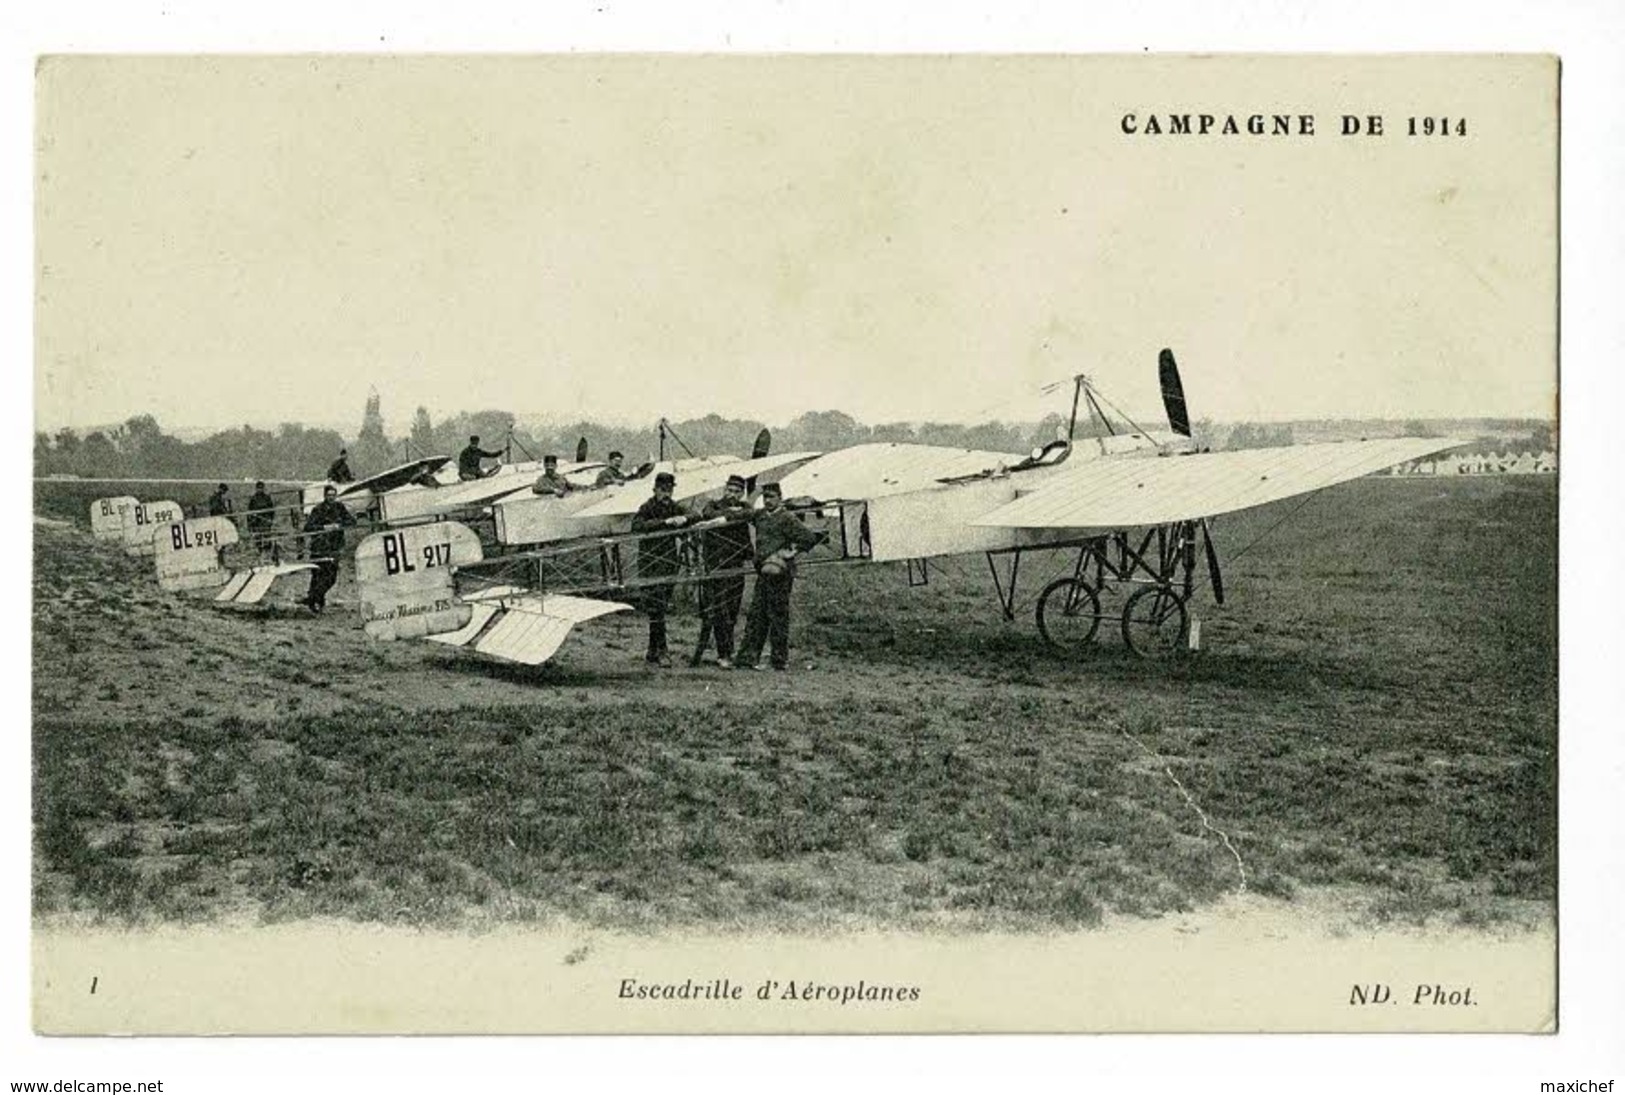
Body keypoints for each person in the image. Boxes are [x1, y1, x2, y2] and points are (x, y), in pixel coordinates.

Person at [736, 483, 825, 671]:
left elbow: (809, 538)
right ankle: (748, 658)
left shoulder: (787, 518)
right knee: (757, 614)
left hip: (781, 573)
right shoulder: (760, 516)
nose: (768, 501)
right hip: (763, 572)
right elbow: (742, 514)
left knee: (777, 615)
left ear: (780, 498)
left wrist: (790, 552)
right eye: (765, 497)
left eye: (772, 497)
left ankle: (778, 660)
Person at [630, 471, 694, 667]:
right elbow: (637, 525)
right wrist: (665, 523)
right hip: (649, 562)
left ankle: (652, 650)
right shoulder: (647, 507)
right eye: (662, 490)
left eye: (669, 490)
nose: (666, 494)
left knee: (659, 606)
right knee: (656, 606)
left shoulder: (674, 507)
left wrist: (684, 519)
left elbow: (695, 515)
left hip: (668, 561)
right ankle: (662, 650)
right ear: (655, 490)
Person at [689, 474, 754, 668]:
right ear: (724, 489)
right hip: (715, 563)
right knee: (717, 609)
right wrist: (727, 514)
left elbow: (749, 514)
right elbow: (707, 514)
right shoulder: (713, 505)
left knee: (732, 608)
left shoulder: (744, 508)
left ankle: (726, 651)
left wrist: (729, 515)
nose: (732, 494)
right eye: (730, 490)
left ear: (741, 493)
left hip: (735, 563)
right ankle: (723, 653)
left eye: (736, 492)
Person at [300, 485, 356, 613]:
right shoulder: (318, 509)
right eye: (329, 495)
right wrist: (324, 527)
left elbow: (352, 522)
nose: (331, 498)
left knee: (331, 577)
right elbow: (308, 528)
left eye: (333, 495)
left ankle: (313, 598)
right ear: (325, 496)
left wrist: (339, 525)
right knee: (317, 576)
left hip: (334, 547)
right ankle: (316, 603)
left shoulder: (339, 507)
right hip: (319, 547)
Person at [245, 481, 276, 555]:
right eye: (258, 488)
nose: (260, 490)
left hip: (265, 521)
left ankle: (268, 552)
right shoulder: (253, 499)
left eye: (261, 488)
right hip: (256, 521)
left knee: (266, 536)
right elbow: (249, 511)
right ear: (256, 489)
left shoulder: (267, 498)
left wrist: (270, 520)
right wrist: (250, 523)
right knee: (258, 537)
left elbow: (271, 510)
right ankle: (260, 551)